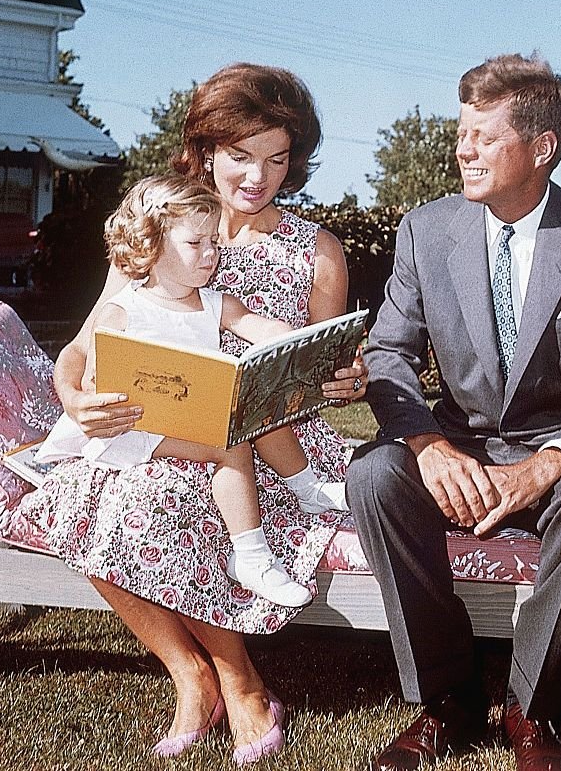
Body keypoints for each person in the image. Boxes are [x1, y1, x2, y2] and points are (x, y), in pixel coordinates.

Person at [18, 63, 366, 764]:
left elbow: (324, 362)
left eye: (277, 158)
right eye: (240, 156)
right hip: (165, 429)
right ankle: (191, 672)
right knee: (86, 488)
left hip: (276, 445)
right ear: (205, 150)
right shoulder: (161, 227)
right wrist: (77, 400)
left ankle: (239, 683)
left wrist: (346, 378)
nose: (256, 177)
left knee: (160, 494)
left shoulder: (316, 252)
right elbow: (83, 349)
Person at [347, 53, 561, 771]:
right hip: (460, 449)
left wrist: (551, 460)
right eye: (461, 133)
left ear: (541, 147)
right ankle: (446, 702)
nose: (462, 150)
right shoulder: (425, 231)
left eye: (482, 137)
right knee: (373, 476)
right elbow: (390, 356)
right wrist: (428, 444)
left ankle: (531, 709)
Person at [34, 174, 349, 609]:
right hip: (133, 430)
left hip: (186, 418)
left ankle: (308, 488)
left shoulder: (214, 302)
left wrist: (309, 346)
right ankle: (252, 557)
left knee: (253, 413)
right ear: (152, 245)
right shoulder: (123, 310)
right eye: (195, 244)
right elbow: (94, 380)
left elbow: (262, 329)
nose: (211, 254)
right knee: (230, 444)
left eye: (213, 243)